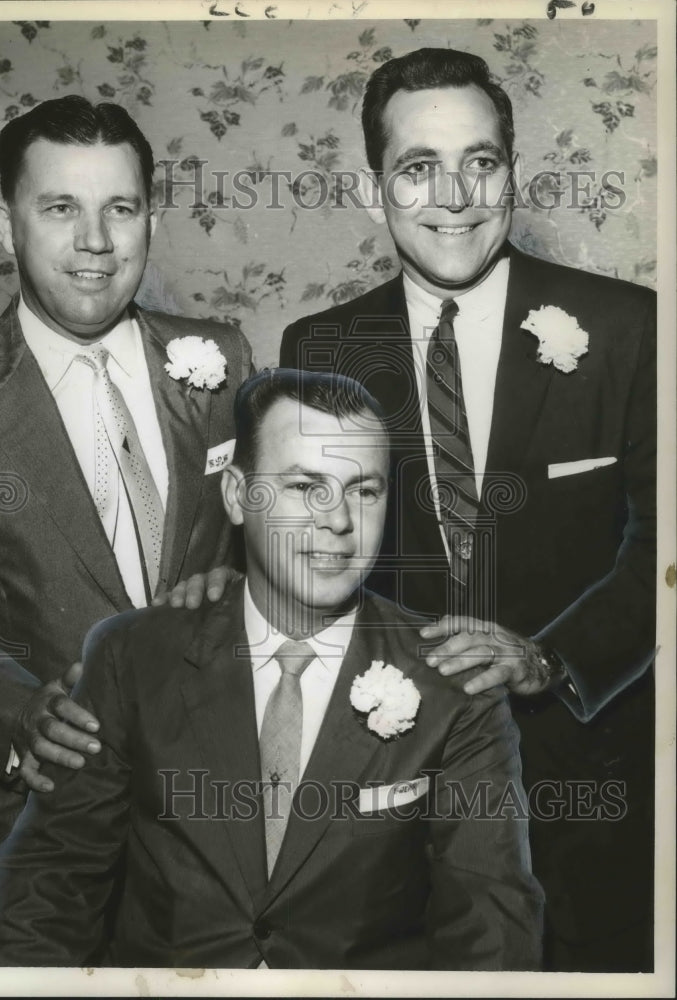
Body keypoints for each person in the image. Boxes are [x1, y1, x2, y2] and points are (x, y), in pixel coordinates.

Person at [280, 49, 655, 972]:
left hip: (582, 781)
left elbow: (664, 546)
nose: (455, 194)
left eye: (480, 162)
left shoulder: (627, 327)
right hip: (386, 787)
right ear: (373, 192)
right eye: (417, 168)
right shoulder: (318, 346)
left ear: (510, 175)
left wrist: (546, 658)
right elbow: (305, 565)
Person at [0, 368, 544, 969]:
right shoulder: (132, 656)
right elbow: (49, 889)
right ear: (236, 495)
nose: (338, 522)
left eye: (364, 490)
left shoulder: (455, 682)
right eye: (305, 486)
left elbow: (493, 926)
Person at [0, 95, 252, 965]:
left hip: (209, 826)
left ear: (148, 218)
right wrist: (20, 711)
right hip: (24, 824)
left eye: (121, 208)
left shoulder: (222, 360)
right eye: (60, 208)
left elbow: (269, 559)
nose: (95, 241)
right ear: (4, 223)